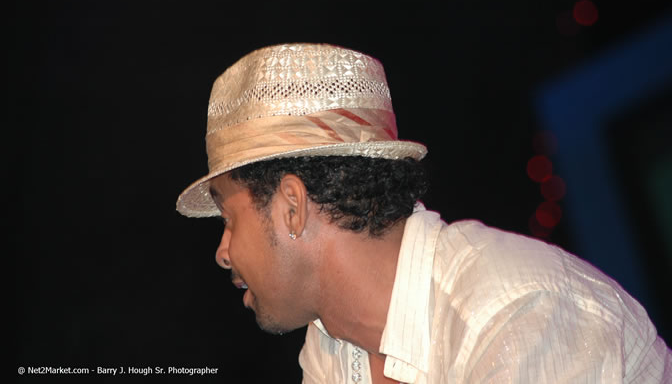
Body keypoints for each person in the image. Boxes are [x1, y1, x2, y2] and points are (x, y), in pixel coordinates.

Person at [176, 43, 671, 383]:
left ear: (291, 206)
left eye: (228, 217)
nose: (223, 252)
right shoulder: (331, 350)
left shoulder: (513, 311)